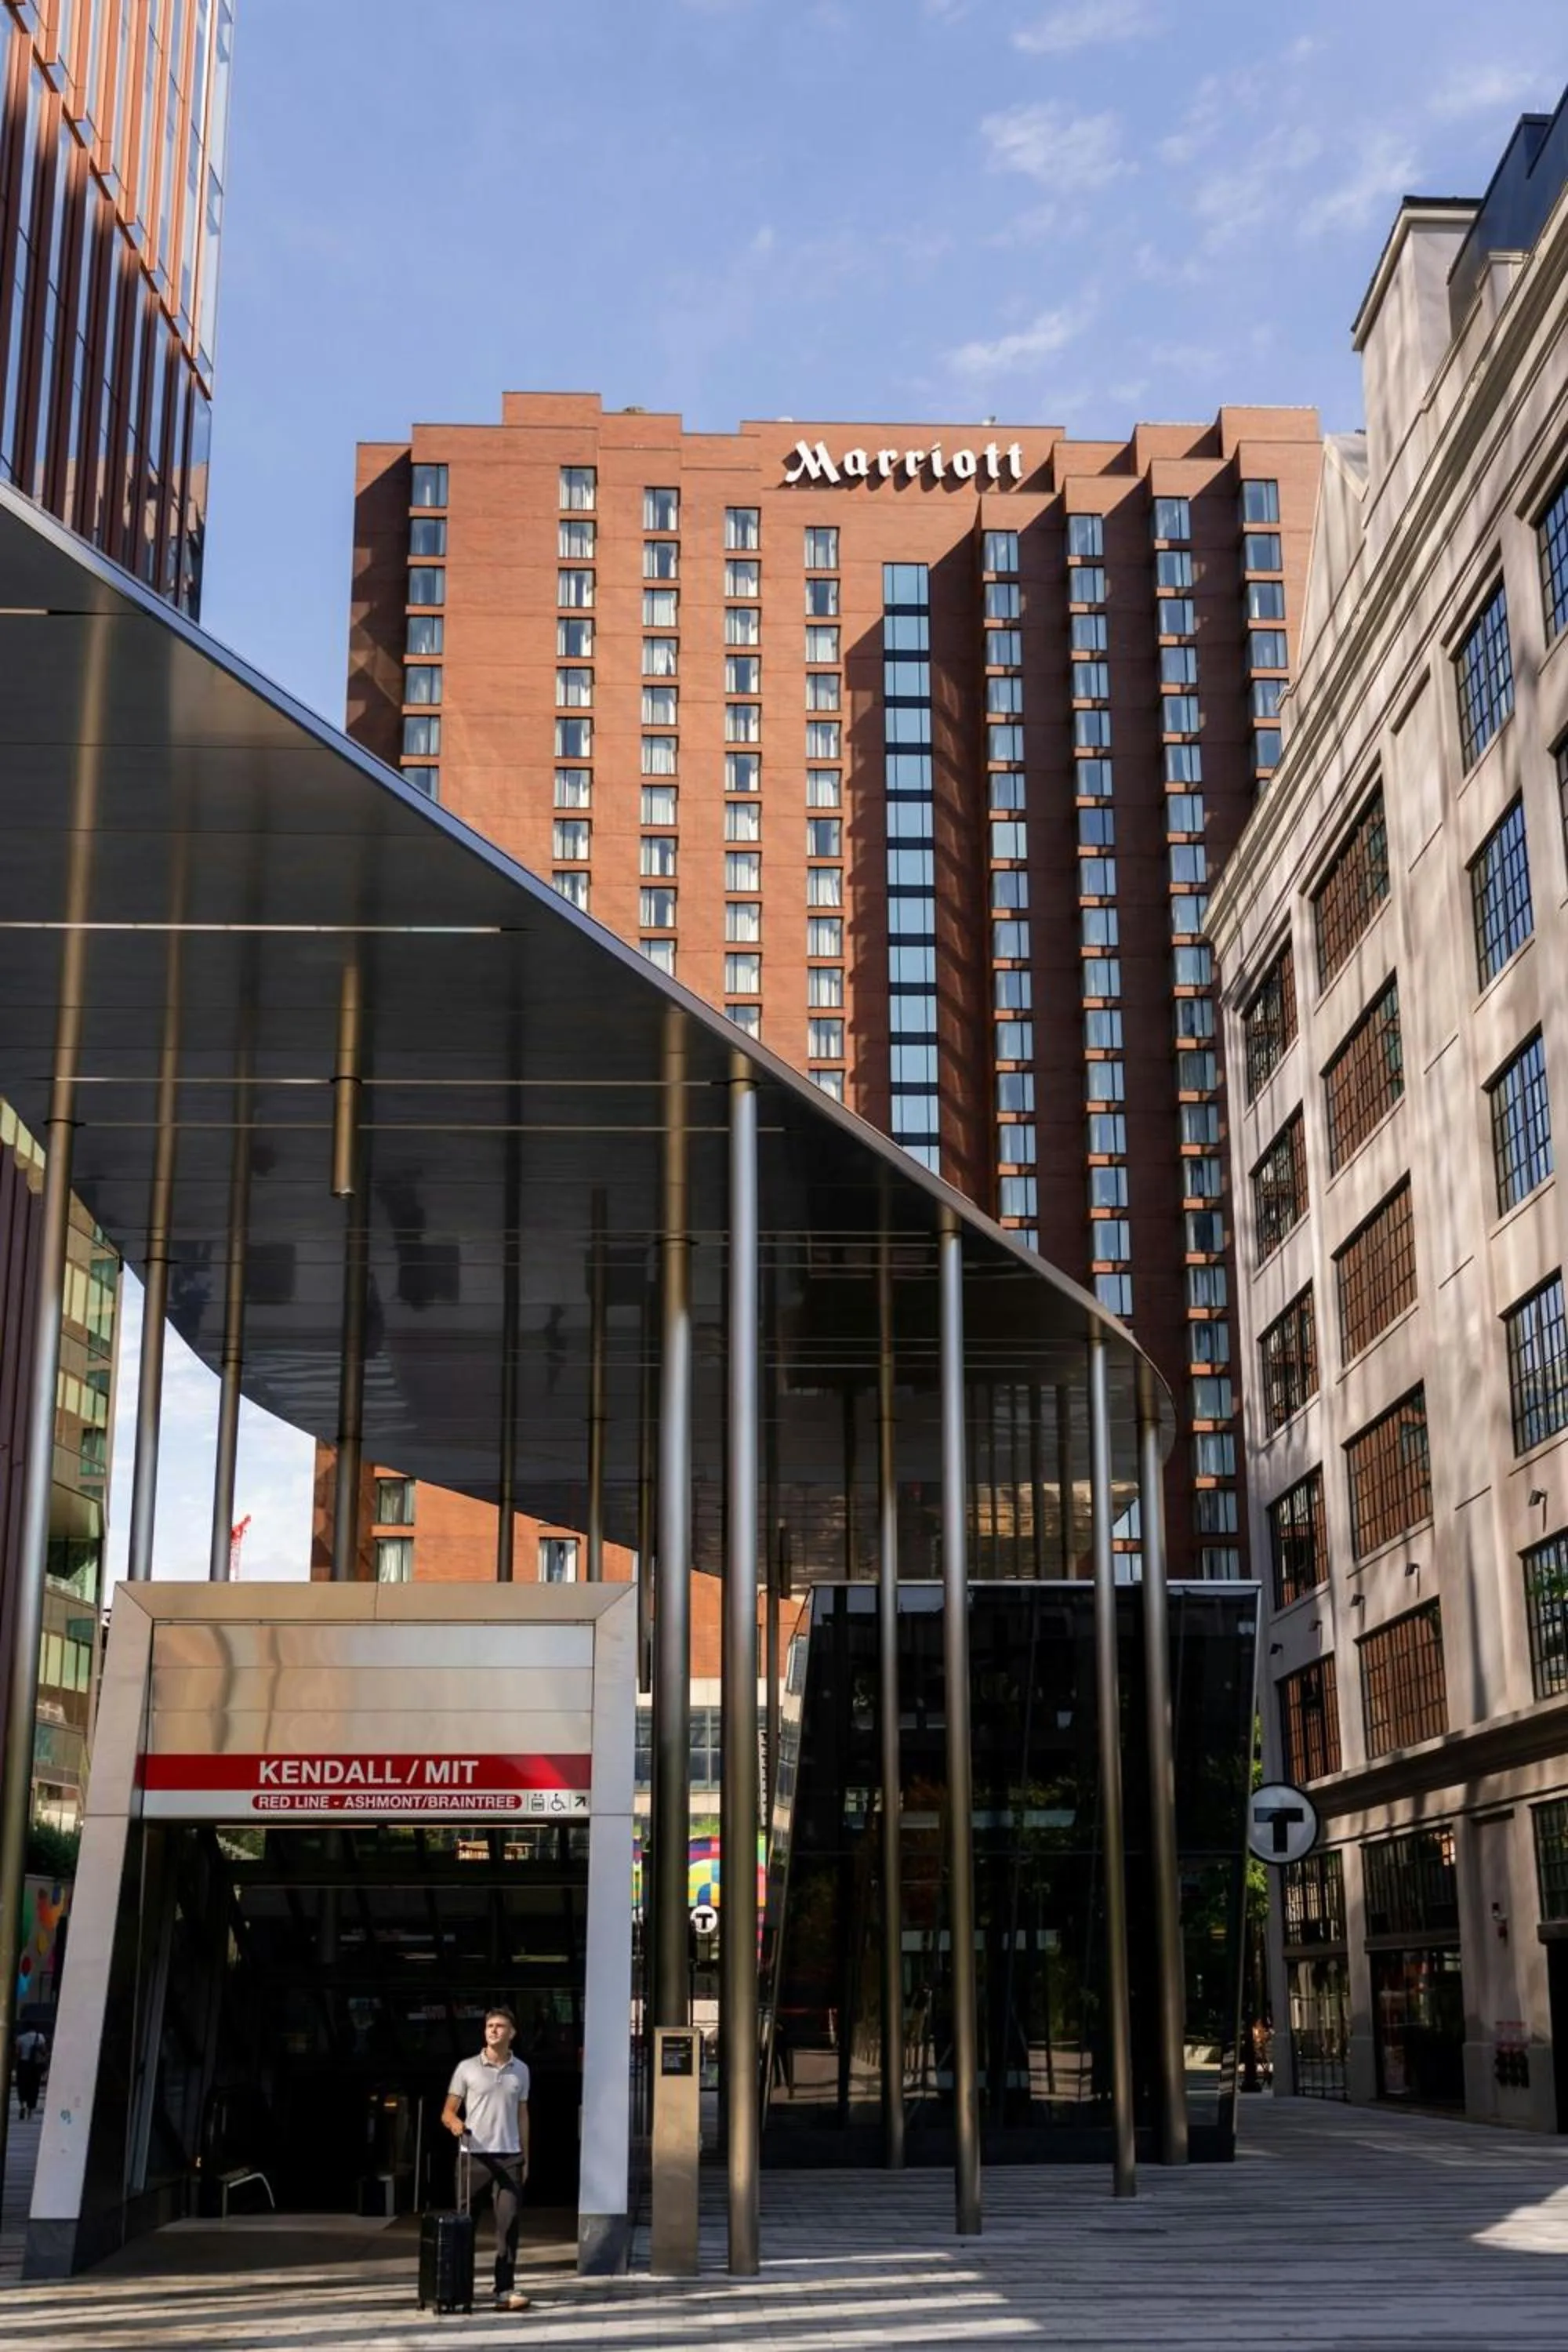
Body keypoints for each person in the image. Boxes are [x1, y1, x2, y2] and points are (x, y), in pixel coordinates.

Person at [441, 2006, 531, 2314]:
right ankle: (458, 2288)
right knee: (465, 2225)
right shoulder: (466, 2068)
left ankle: (504, 2288)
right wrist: (455, 2124)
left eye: (500, 2026)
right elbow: (448, 2111)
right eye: (489, 2026)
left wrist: (526, 2157)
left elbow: (522, 2115)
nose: (493, 2030)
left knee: (509, 2225)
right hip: (473, 2158)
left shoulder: (521, 2070)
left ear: (512, 2033)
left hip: (509, 2157)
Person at [15, 2026, 45, 2121]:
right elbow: (44, 2051)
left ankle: (22, 2105)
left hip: (23, 2065)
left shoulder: (20, 2038)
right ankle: (30, 2110)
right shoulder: (40, 2037)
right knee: (34, 2087)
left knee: (22, 2086)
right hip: (35, 2066)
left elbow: (17, 2053)